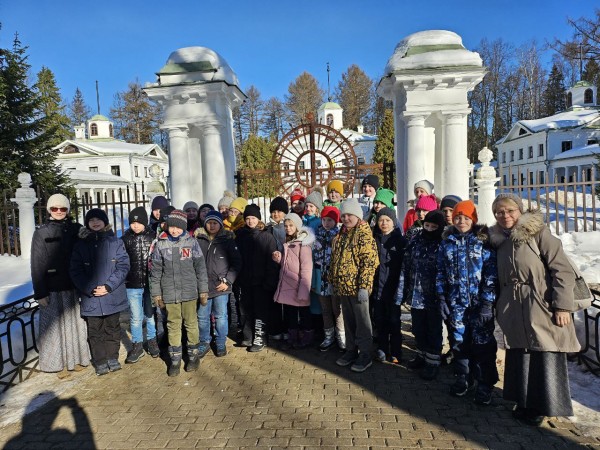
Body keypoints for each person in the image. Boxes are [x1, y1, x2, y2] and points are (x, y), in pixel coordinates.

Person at [488, 193, 580, 426]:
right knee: (520, 354)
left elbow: (563, 270)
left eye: (510, 210)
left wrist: (562, 306)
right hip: (514, 307)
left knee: (544, 352)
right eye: (499, 212)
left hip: (541, 304)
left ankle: (543, 405)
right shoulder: (499, 240)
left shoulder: (539, 234)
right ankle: (524, 401)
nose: (505, 215)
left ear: (520, 211)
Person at [437, 200, 498, 405]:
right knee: (459, 343)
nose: (461, 221)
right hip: (456, 304)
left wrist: (488, 303)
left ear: (473, 219)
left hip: (479, 304)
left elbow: (491, 275)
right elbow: (440, 272)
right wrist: (442, 297)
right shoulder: (447, 242)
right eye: (457, 217)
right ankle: (464, 377)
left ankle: (484, 383)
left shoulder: (483, 242)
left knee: (482, 345)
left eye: (465, 217)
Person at [31, 194, 90, 378]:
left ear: (67, 210)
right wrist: (40, 291)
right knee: (55, 328)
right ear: (49, 210)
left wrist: (86, 237)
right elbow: (37, 263)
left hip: (73, 285)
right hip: (53, 287)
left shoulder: (76, 229)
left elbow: (90, 252)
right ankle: (59, 364)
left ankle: (77, 359)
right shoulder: (41, 232)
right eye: (55, 209)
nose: (58, 212)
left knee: (74, 325)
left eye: (62, 209)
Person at [70, 209, 130, 376]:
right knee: (95, 331)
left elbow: (123, 266)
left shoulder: (115, 242)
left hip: (111, 295)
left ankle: (112, 357)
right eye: (91, 220)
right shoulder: (80, 245)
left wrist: (108, 286)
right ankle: (100, 360)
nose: (95, 222)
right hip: (91, 298)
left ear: (105, 222)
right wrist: (89, 288)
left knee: (112, 328)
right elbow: (75, 270)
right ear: (87, 223)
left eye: (98, 219)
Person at [149, 209, 209, 376]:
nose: (174, 230)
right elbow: (155, 273)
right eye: (171, 227)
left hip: (190, 292)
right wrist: (157, 294)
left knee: (191, 324)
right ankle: (175, 359)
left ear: (183, 227)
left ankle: (193, 356)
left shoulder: (191, 243)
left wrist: (203, 290)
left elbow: (200, 268)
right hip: (169, 293)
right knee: (173, 325)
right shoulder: (161, 244)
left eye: (178, 227)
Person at [329, 198, 379, 372]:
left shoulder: (364, 234)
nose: (346, 218)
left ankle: (365, 354)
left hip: (358, 289)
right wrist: (332, 281)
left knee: (362, 322)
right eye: (344, 215)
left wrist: (364, 286)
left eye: (350, 215)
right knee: (349, 322)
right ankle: (351, 350)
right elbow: (335, 260)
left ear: (357, 215)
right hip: (343, 287)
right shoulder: (341, 234)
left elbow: (369, 262)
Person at [396, 210, 446, 378]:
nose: (429, 229)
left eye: (434, 226)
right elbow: (406, 264)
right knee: (418, 328)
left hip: (433, 297)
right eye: (427, 225)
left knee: (433, 330)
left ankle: (433, 362)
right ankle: (421, 355)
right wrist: (403, 290)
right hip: (416, 295)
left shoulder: (442, 244)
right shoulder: (416, 240)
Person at [196, 211, 242, 358]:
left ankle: (220, 342)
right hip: (203, 286)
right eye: (209, 222)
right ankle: (204, 341)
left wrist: (228, 281)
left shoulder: (227, 240)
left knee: (221, 316)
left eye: (215, 223)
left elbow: (236, 263)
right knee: (202, 316)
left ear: (220, 224)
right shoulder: (199, 240)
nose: (212, 225)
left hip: (221, 287)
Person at [235, 204, 279, 352]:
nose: (250, 221)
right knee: (246, 309)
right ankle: (248, 336)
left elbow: (272, 262)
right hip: (245, 280)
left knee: (261, 311)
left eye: (253, 218)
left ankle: (260, 338)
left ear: (258, 219)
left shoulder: (267, 237)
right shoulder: (241, 236)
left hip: (261, 282)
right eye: (247, 218)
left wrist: (269, 281)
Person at [121, 207, 159, 363]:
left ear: (144, 222)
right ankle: (137, 344)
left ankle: (152, 340)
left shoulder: (153, 237)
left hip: (150, 284)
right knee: (136, 317)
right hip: (133, 284)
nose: (135, 226)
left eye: (138, 222)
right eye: (133, 222)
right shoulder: (125, 239)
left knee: (150, 315)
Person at [272, 213, 315, 348]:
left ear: (297, 226)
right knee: (290, 313)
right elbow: (288, 264)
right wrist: (279, 259)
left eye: (291, 225)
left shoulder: (304, 244)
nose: (288, 228)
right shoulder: (288, 242)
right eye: (286, 226)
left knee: (303, 314)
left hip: (299, 286)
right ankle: (292, 338)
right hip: (288, 286)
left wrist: (304, 290)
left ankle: (306, 338)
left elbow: (306, 269)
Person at [372, 208, 407, 364]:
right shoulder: (375, 239)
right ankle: (382, 348)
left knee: (394, 321)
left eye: (387, 220)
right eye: (381, 220)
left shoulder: (400, 241)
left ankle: (396, 351)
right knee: (379, 320)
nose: (384, 223)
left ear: (393, 222)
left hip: (393, 289)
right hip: (378, 289)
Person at [314, 206, 344, 351]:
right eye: (324, 219)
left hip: (334, 279)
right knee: (325, 309)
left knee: (337, 309)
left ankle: (342, 337)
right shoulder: (316, 236)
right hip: (321, 279)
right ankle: (328, 336)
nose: (326, 223)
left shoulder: (339, 236)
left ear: (336, 221)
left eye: (330, 220)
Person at [265, 196, 289, 342]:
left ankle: (287, 329)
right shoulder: (267, 228)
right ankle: (274, 329)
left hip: (287, 269)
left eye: (280, 211)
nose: (276, 214)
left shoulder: (289, 226)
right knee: (273, 301)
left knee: (286, 303)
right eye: (274, 211)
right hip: (272, 269)